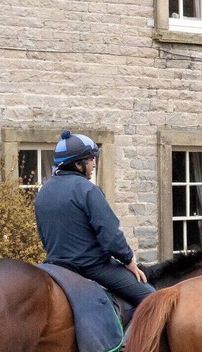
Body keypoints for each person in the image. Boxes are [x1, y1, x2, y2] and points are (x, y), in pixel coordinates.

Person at [35, 130, 154, 306]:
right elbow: (110, 235)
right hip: (93, 267)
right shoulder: (87, 189)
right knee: (153, 299)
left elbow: (44, 236)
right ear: (78, 164)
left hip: (56, 267)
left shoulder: (43, 192)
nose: (94, 165)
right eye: (91, 159)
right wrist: (128, 260)